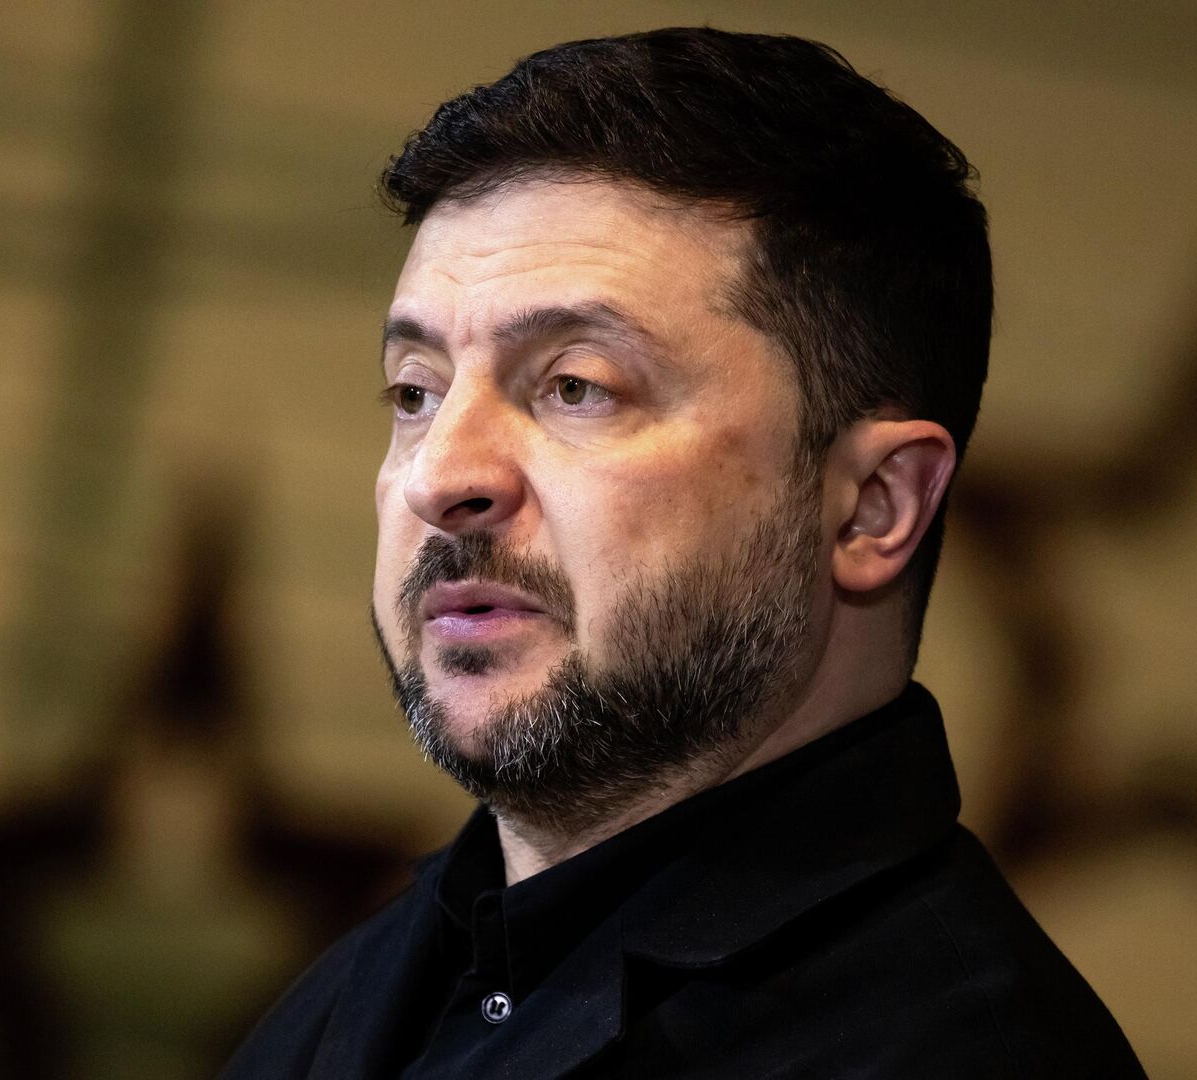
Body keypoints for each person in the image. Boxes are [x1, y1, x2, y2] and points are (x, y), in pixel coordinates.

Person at [222, 27, 1144, 1078]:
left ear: (873, 507)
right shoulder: (353, 999)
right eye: (415, 392)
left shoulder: (958, 1054)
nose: (441, 476)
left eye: (576, 386)